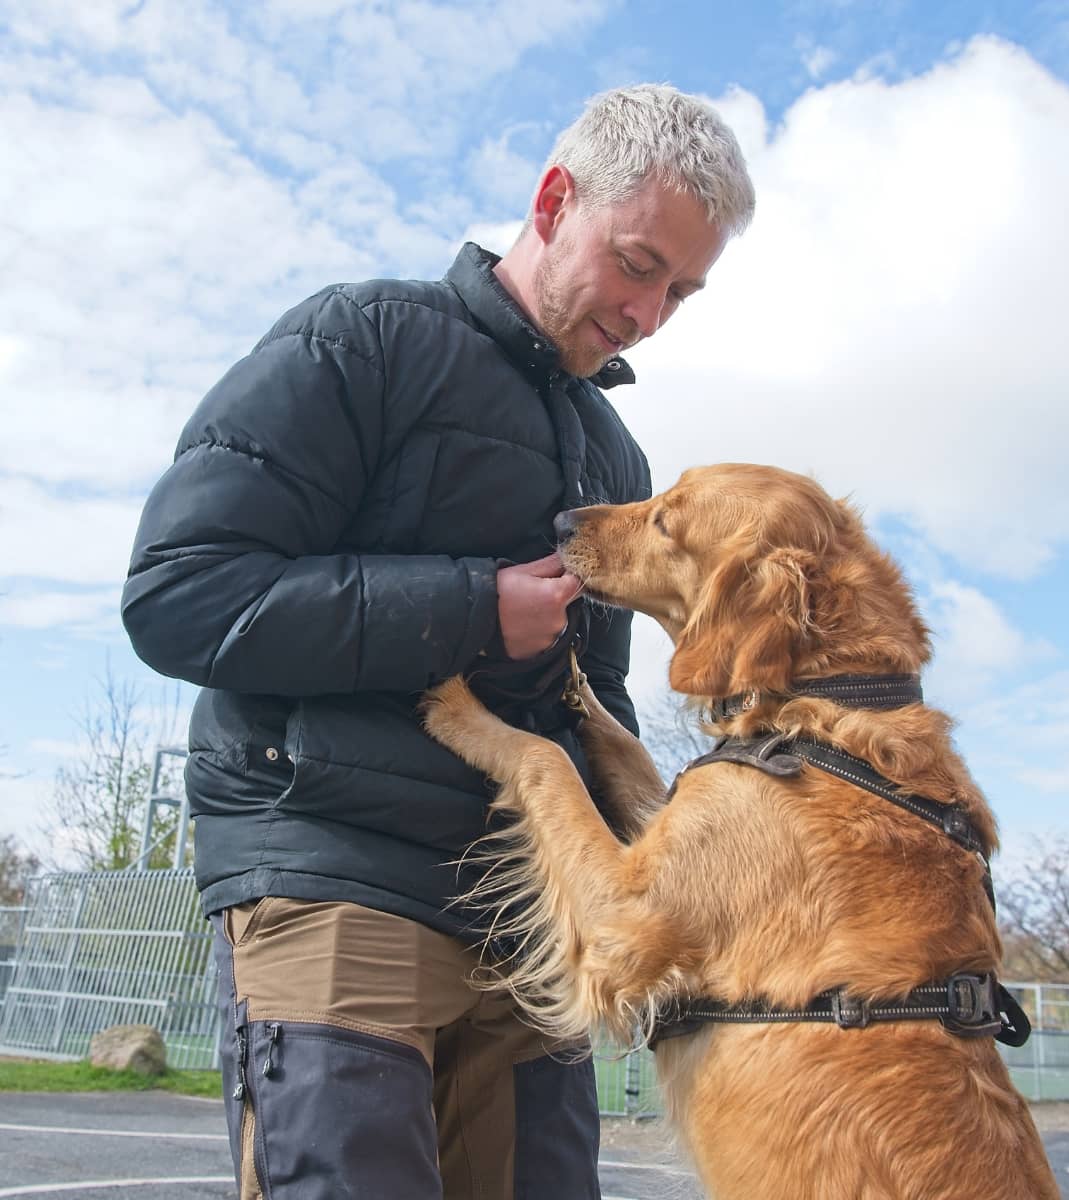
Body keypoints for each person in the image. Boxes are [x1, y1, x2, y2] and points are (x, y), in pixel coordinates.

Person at [121, 83, 754, 1199]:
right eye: (639, 264)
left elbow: (584, 713)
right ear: (556, 199)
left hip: (529, 931)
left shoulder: (618, 462)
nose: (650, 314)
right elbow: (181, 593)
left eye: (684, 292)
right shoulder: (365, 338)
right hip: (335, 878)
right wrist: (468, 608)